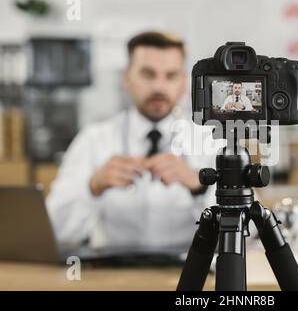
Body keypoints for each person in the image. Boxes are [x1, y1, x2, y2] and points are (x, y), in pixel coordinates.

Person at [46, 31, 215, 251]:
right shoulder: (93, 139)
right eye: (148, 74)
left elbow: (247, 231)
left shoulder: (212, 140)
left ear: (183, 82)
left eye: (170, 75)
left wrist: (199, 185)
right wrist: (92, 186)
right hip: (111, 277)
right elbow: (54, 231)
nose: (159, 87)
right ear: (126, 77)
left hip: (190, 275)